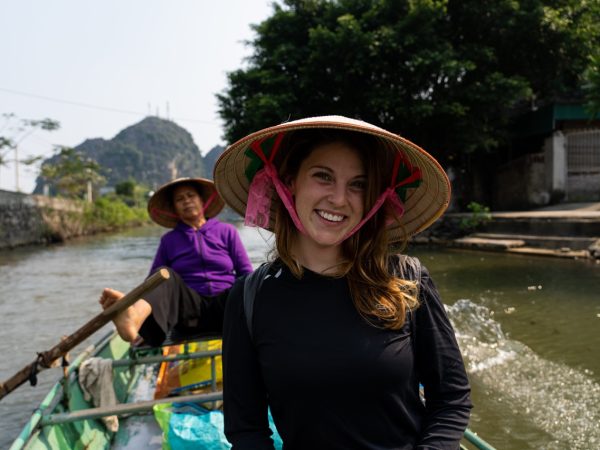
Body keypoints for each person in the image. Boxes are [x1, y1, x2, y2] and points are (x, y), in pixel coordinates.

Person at [213, 116, 472, 449]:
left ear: (374, 198)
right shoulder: (250, 297)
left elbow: (451, 399)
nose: (338, 198)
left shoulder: (407, 280)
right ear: (290, 182)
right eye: (323, 176)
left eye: (358, 184)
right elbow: (246, 430)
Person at [99, 177, 253, 346]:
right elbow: (152, 283)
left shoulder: (227, 231)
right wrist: (143, 315)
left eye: (190, 195)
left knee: (249, 280)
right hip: (188, 314)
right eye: (180, 199)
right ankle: (134, 320)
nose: (186, 201)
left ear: (202, 201)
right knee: (162, 276)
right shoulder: (169, 240)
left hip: (227, 309)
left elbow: (245, 271)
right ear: (174, 209)